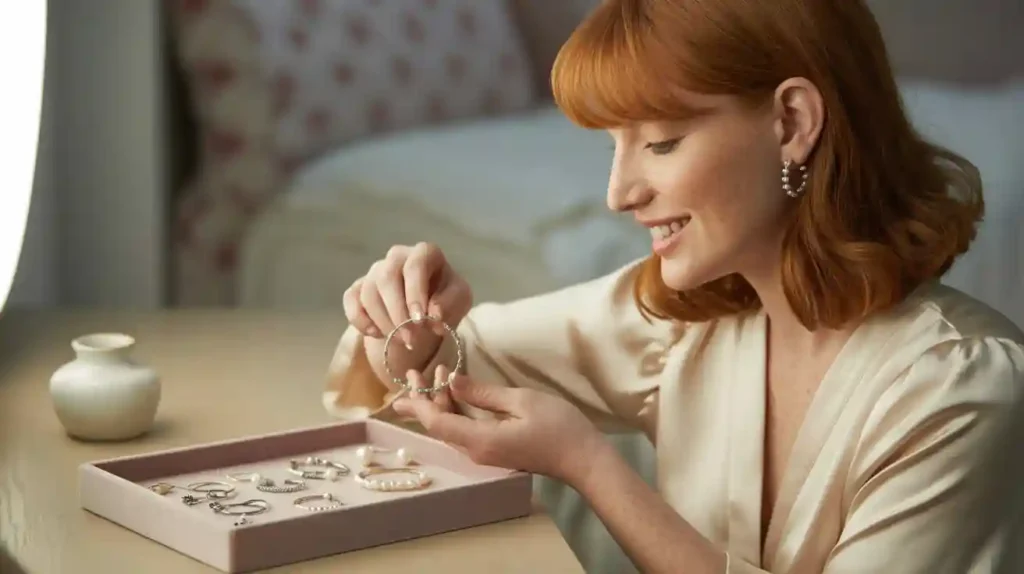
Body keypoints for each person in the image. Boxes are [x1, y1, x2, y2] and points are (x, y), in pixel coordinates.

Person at [323, 0, 1024, 572]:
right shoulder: (684, 319)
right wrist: (407, 318)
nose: (619, 194)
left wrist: (590, 467)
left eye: (660, 143)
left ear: (793, 123)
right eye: (613, 146)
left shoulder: (961, 389)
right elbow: (441, 367)